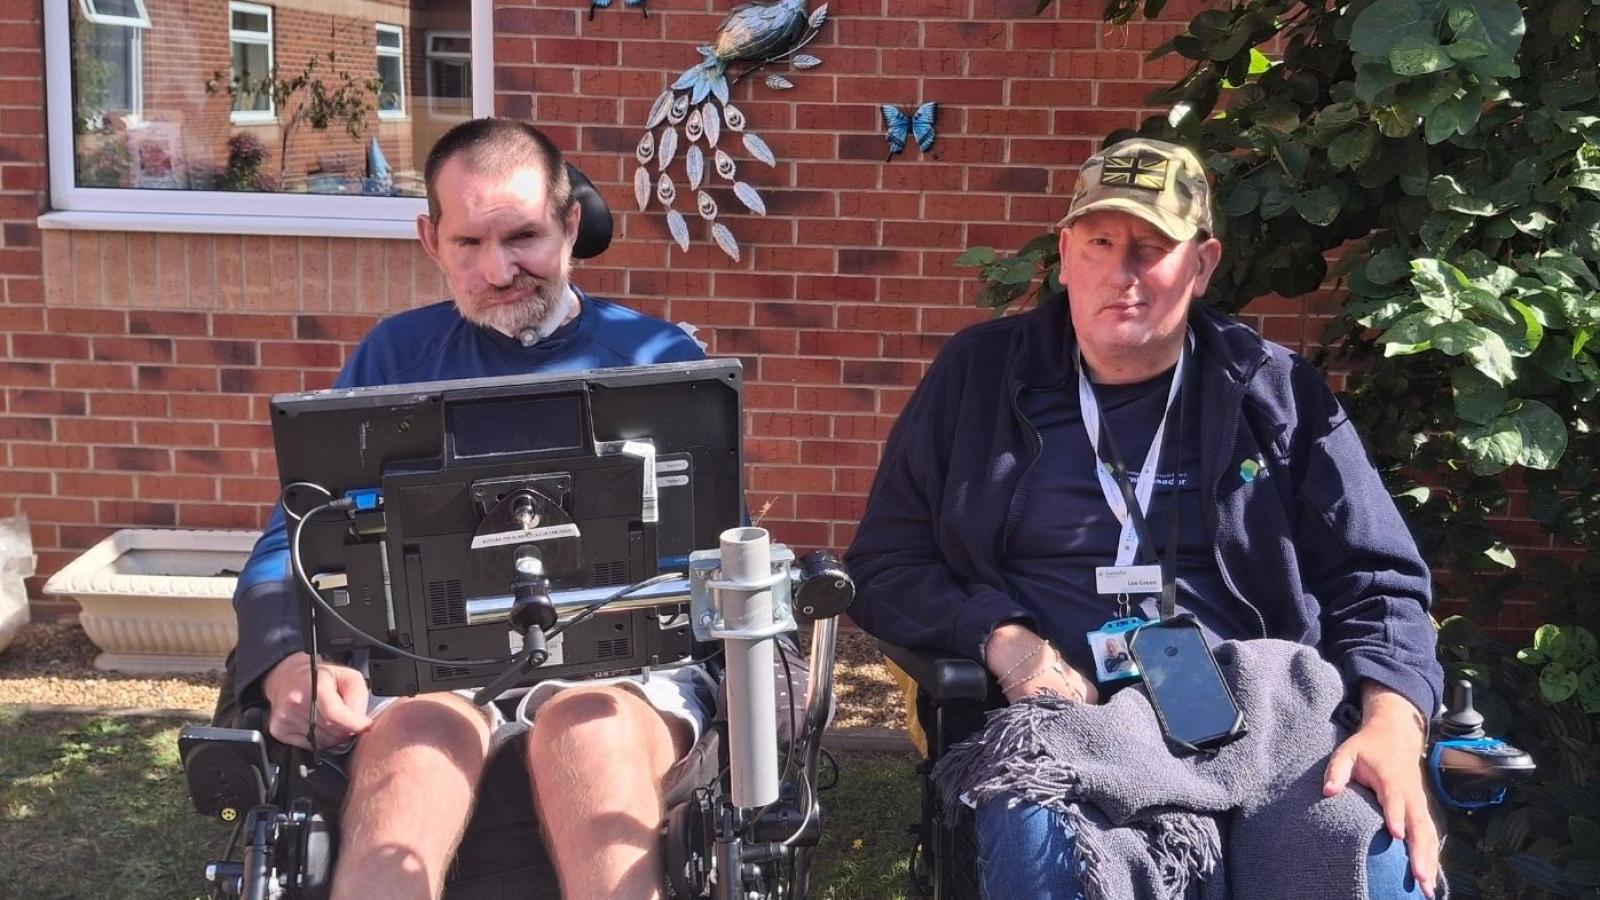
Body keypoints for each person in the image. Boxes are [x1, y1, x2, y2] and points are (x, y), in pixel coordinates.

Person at [845, 138, 1445, 899]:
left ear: (1201, 263)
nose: (1122, 273)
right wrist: (999, 635)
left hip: (1262, 716)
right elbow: (884, 565)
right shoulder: (980, 377)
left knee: (1368, 861)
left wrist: (1393, 722)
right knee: (1051, 856)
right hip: (1067, 721)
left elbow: (1378, 578)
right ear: (1064, 253)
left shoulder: (1273, 390)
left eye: (1152, 247)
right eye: (1100, 242)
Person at [230, 118, 707, 900]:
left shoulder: (658, 363)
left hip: (623, 657)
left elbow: (717, 541)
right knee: (415, 747)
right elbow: (296, 531)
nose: (499, 269)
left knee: (590, 733)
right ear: (430, 240)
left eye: (523, 236)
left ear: (570, 225)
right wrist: (286, 656)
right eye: (469, 245)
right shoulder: (393, 360)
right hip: (428, 663)